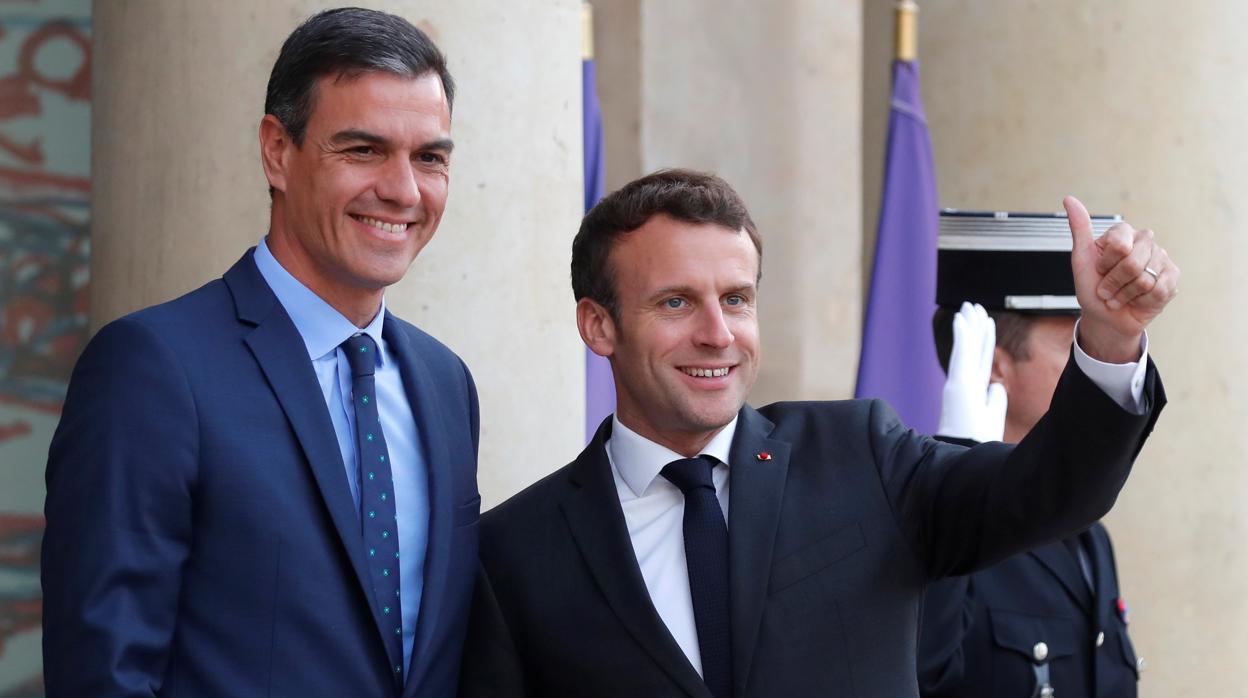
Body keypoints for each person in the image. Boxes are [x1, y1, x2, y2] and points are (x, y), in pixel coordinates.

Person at [460, 169, 1175, 697]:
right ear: (599, 325)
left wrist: (1109, 342)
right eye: (676, 302)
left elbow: (1051, 493)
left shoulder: (861, 456)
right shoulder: (516, 556)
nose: (717, 334)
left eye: (736, 300)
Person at [42, 9, 480, 696]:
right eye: (363, 150)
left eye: (430, 157)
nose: (403, 189)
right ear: (278, 151)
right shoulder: (152, 369)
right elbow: (104, 671)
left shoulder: (444, 383)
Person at [921, 210, 1147, 697]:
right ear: (995, 363)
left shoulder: (1089, 538)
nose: (1092, 356)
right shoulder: (922, 525)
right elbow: (920, 675)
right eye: (1074, 342)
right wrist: (957, 476)